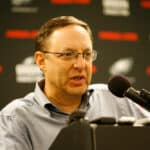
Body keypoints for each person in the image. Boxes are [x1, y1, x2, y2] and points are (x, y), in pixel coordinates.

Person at [0, 16, 150, 150]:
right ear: (41, 61)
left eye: (87, 54)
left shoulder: (114, 98)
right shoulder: (15, 117)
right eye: (67, 55)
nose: (80, 64)